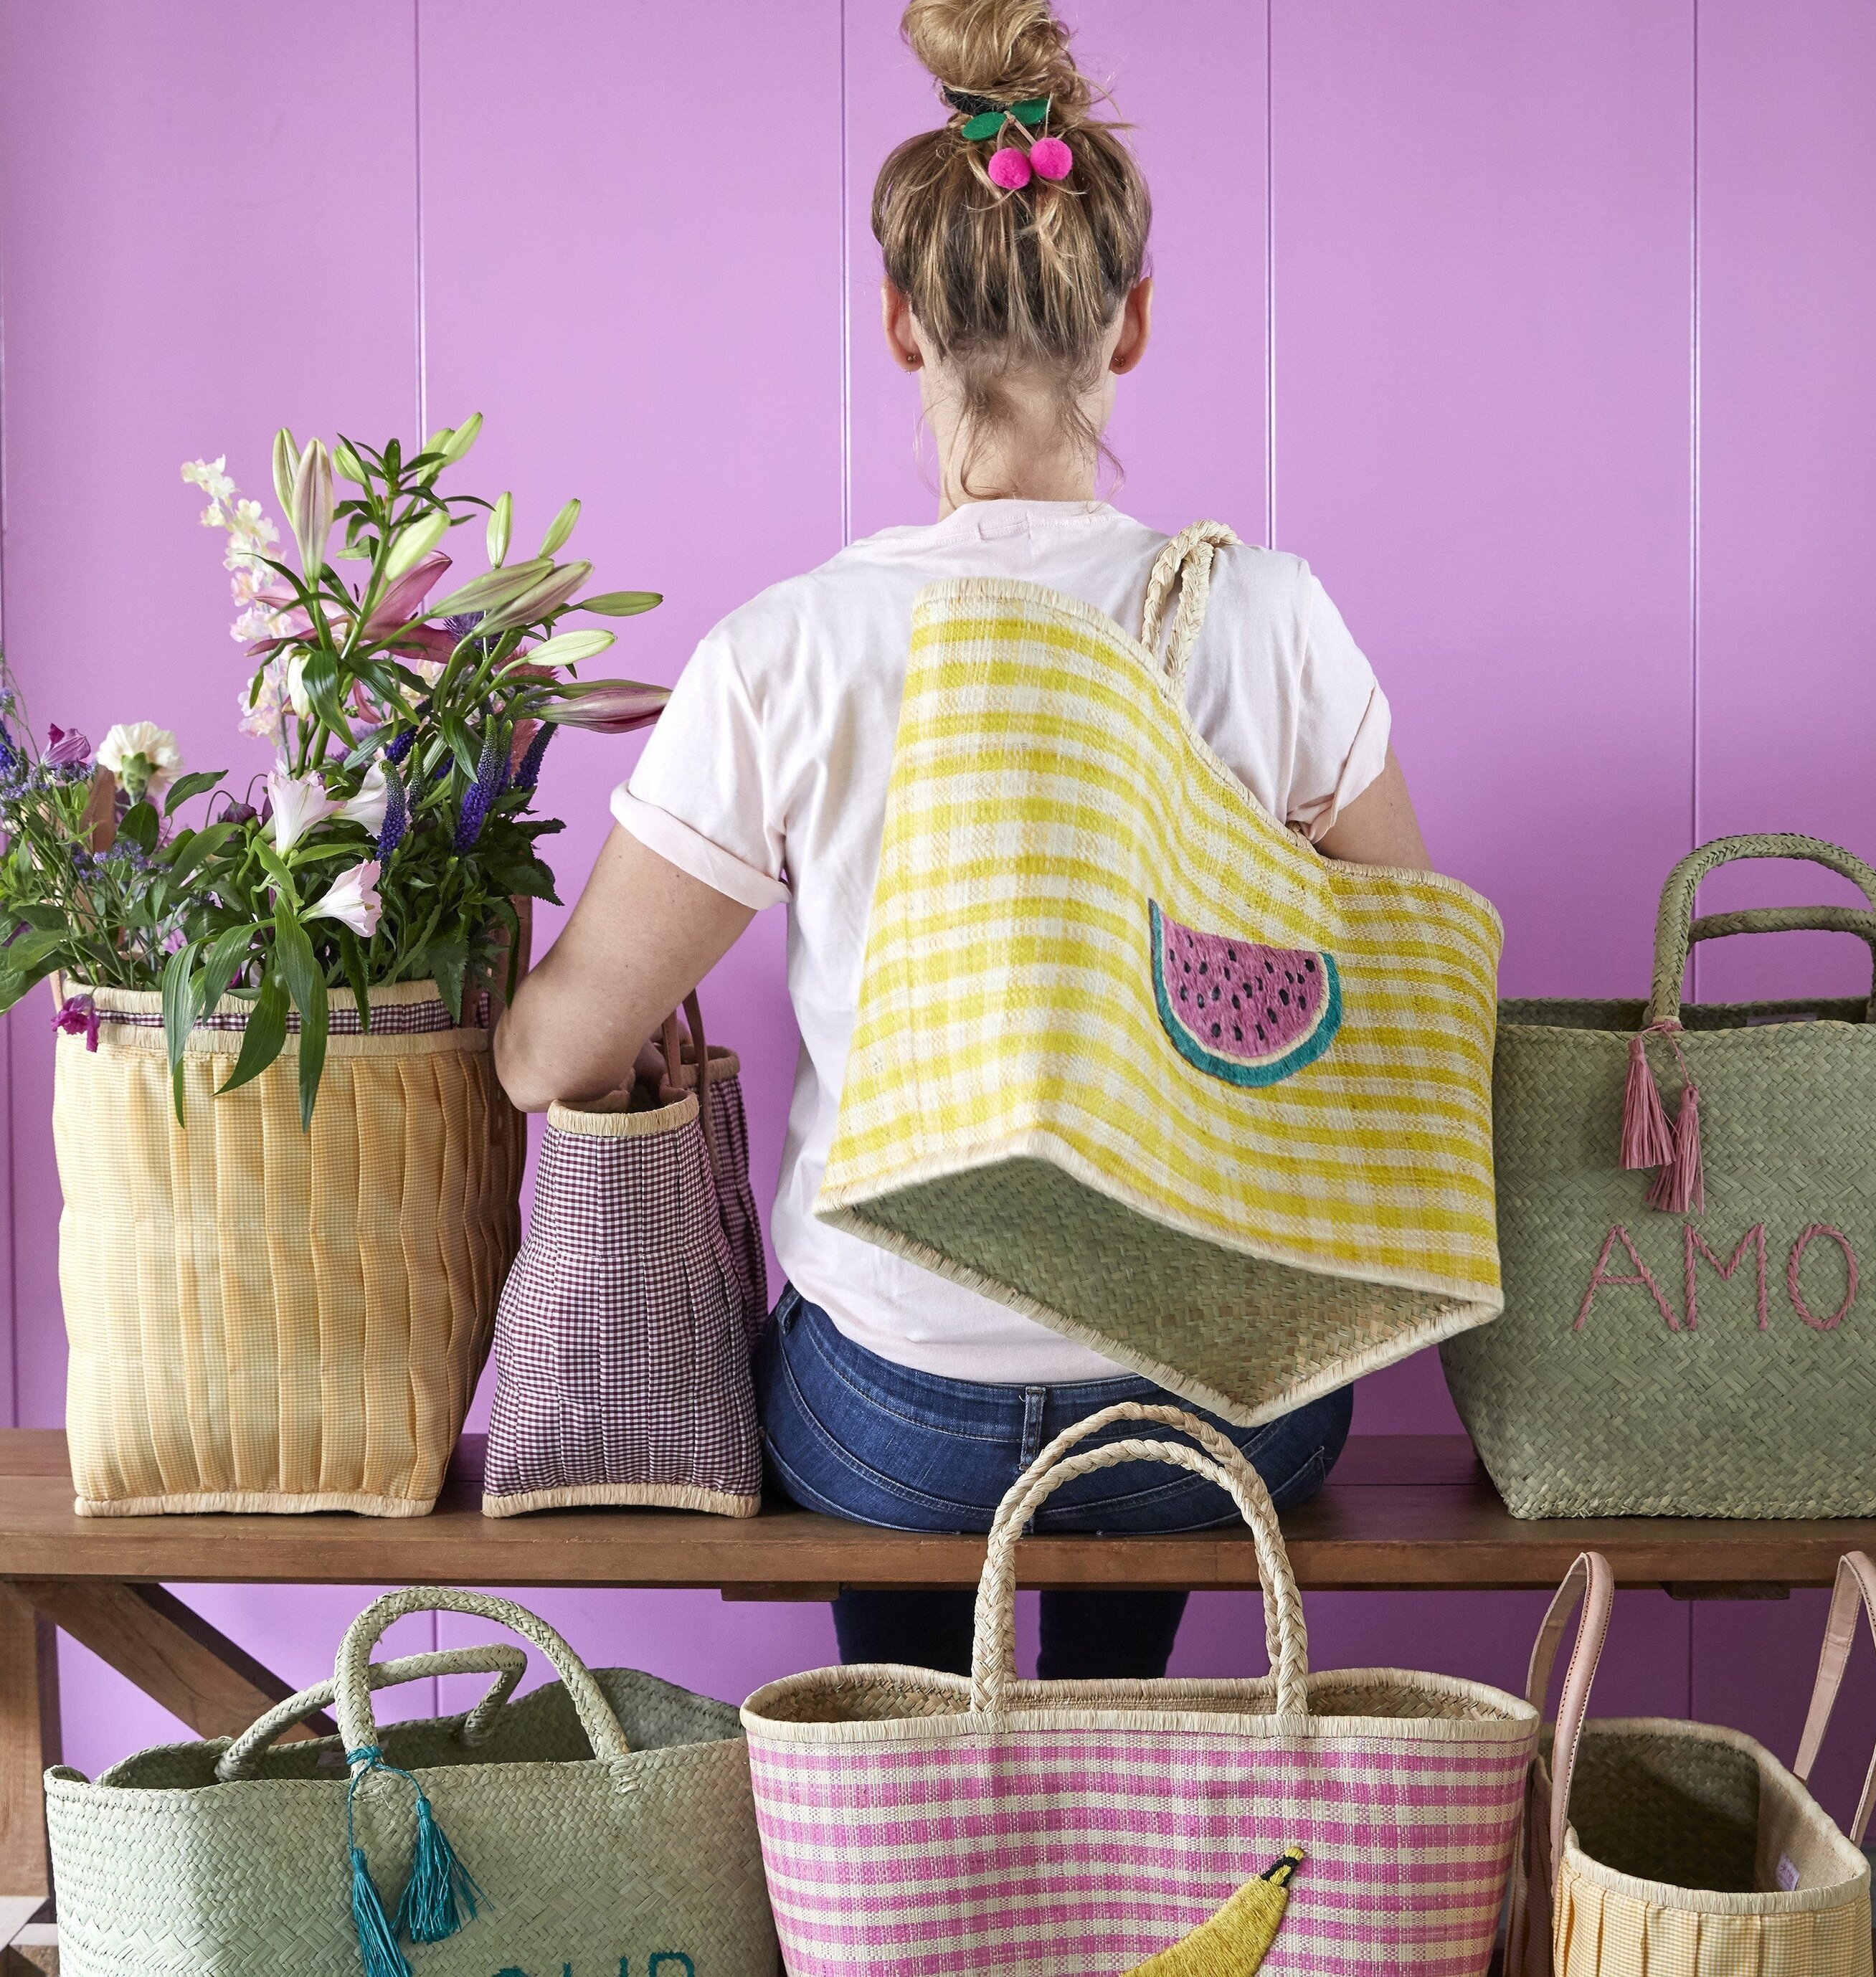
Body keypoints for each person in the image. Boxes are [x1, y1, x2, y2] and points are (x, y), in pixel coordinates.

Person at [494, 0, 1431, 1684]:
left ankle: (908, 1788)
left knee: (864, 1407)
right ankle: (1103, 1750)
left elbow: (562, 1053)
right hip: (1213, 1409)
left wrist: (495, 1006)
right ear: (1131, 321)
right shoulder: (1276, 616)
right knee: (1155, 1432)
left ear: (898, 321)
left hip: (892, 1405)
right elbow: (1414, 981)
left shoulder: (787, 650)